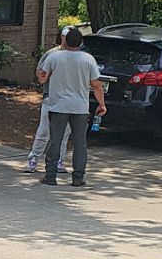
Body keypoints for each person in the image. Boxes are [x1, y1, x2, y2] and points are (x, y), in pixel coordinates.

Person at [37, 26, 105, 188]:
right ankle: (78, 177)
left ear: (65, 40)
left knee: (56, 140)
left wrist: (44, 73)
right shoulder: (88, 59)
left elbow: (42, 79)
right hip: (80, 107)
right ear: (81, 42)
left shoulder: (54, 57)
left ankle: (50, 175)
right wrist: (101, 104)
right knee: (80, 142)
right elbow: (96, 85)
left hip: (58, 105)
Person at [24, 29, 67, 176]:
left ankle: (59, 160)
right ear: (61, 37)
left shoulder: (80, 56)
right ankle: (33, 159)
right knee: (44, 131)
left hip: (69, 100)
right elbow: (40, 73)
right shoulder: (51, 54)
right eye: (66, 37)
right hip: (52, 98)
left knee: (64, 133)